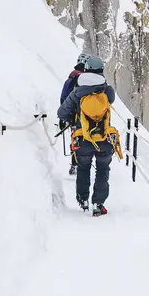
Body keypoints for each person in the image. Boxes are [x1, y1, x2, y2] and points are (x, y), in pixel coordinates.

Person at [57, 55, 120, 216]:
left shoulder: (77, 92)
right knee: (103, 170)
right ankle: (98, 204)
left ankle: (83, 200)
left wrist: (74, 120)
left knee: (84, 169)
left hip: (82, 138)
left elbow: (62, 112)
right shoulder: (107, 91)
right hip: (104, 138)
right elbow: (109, 102)